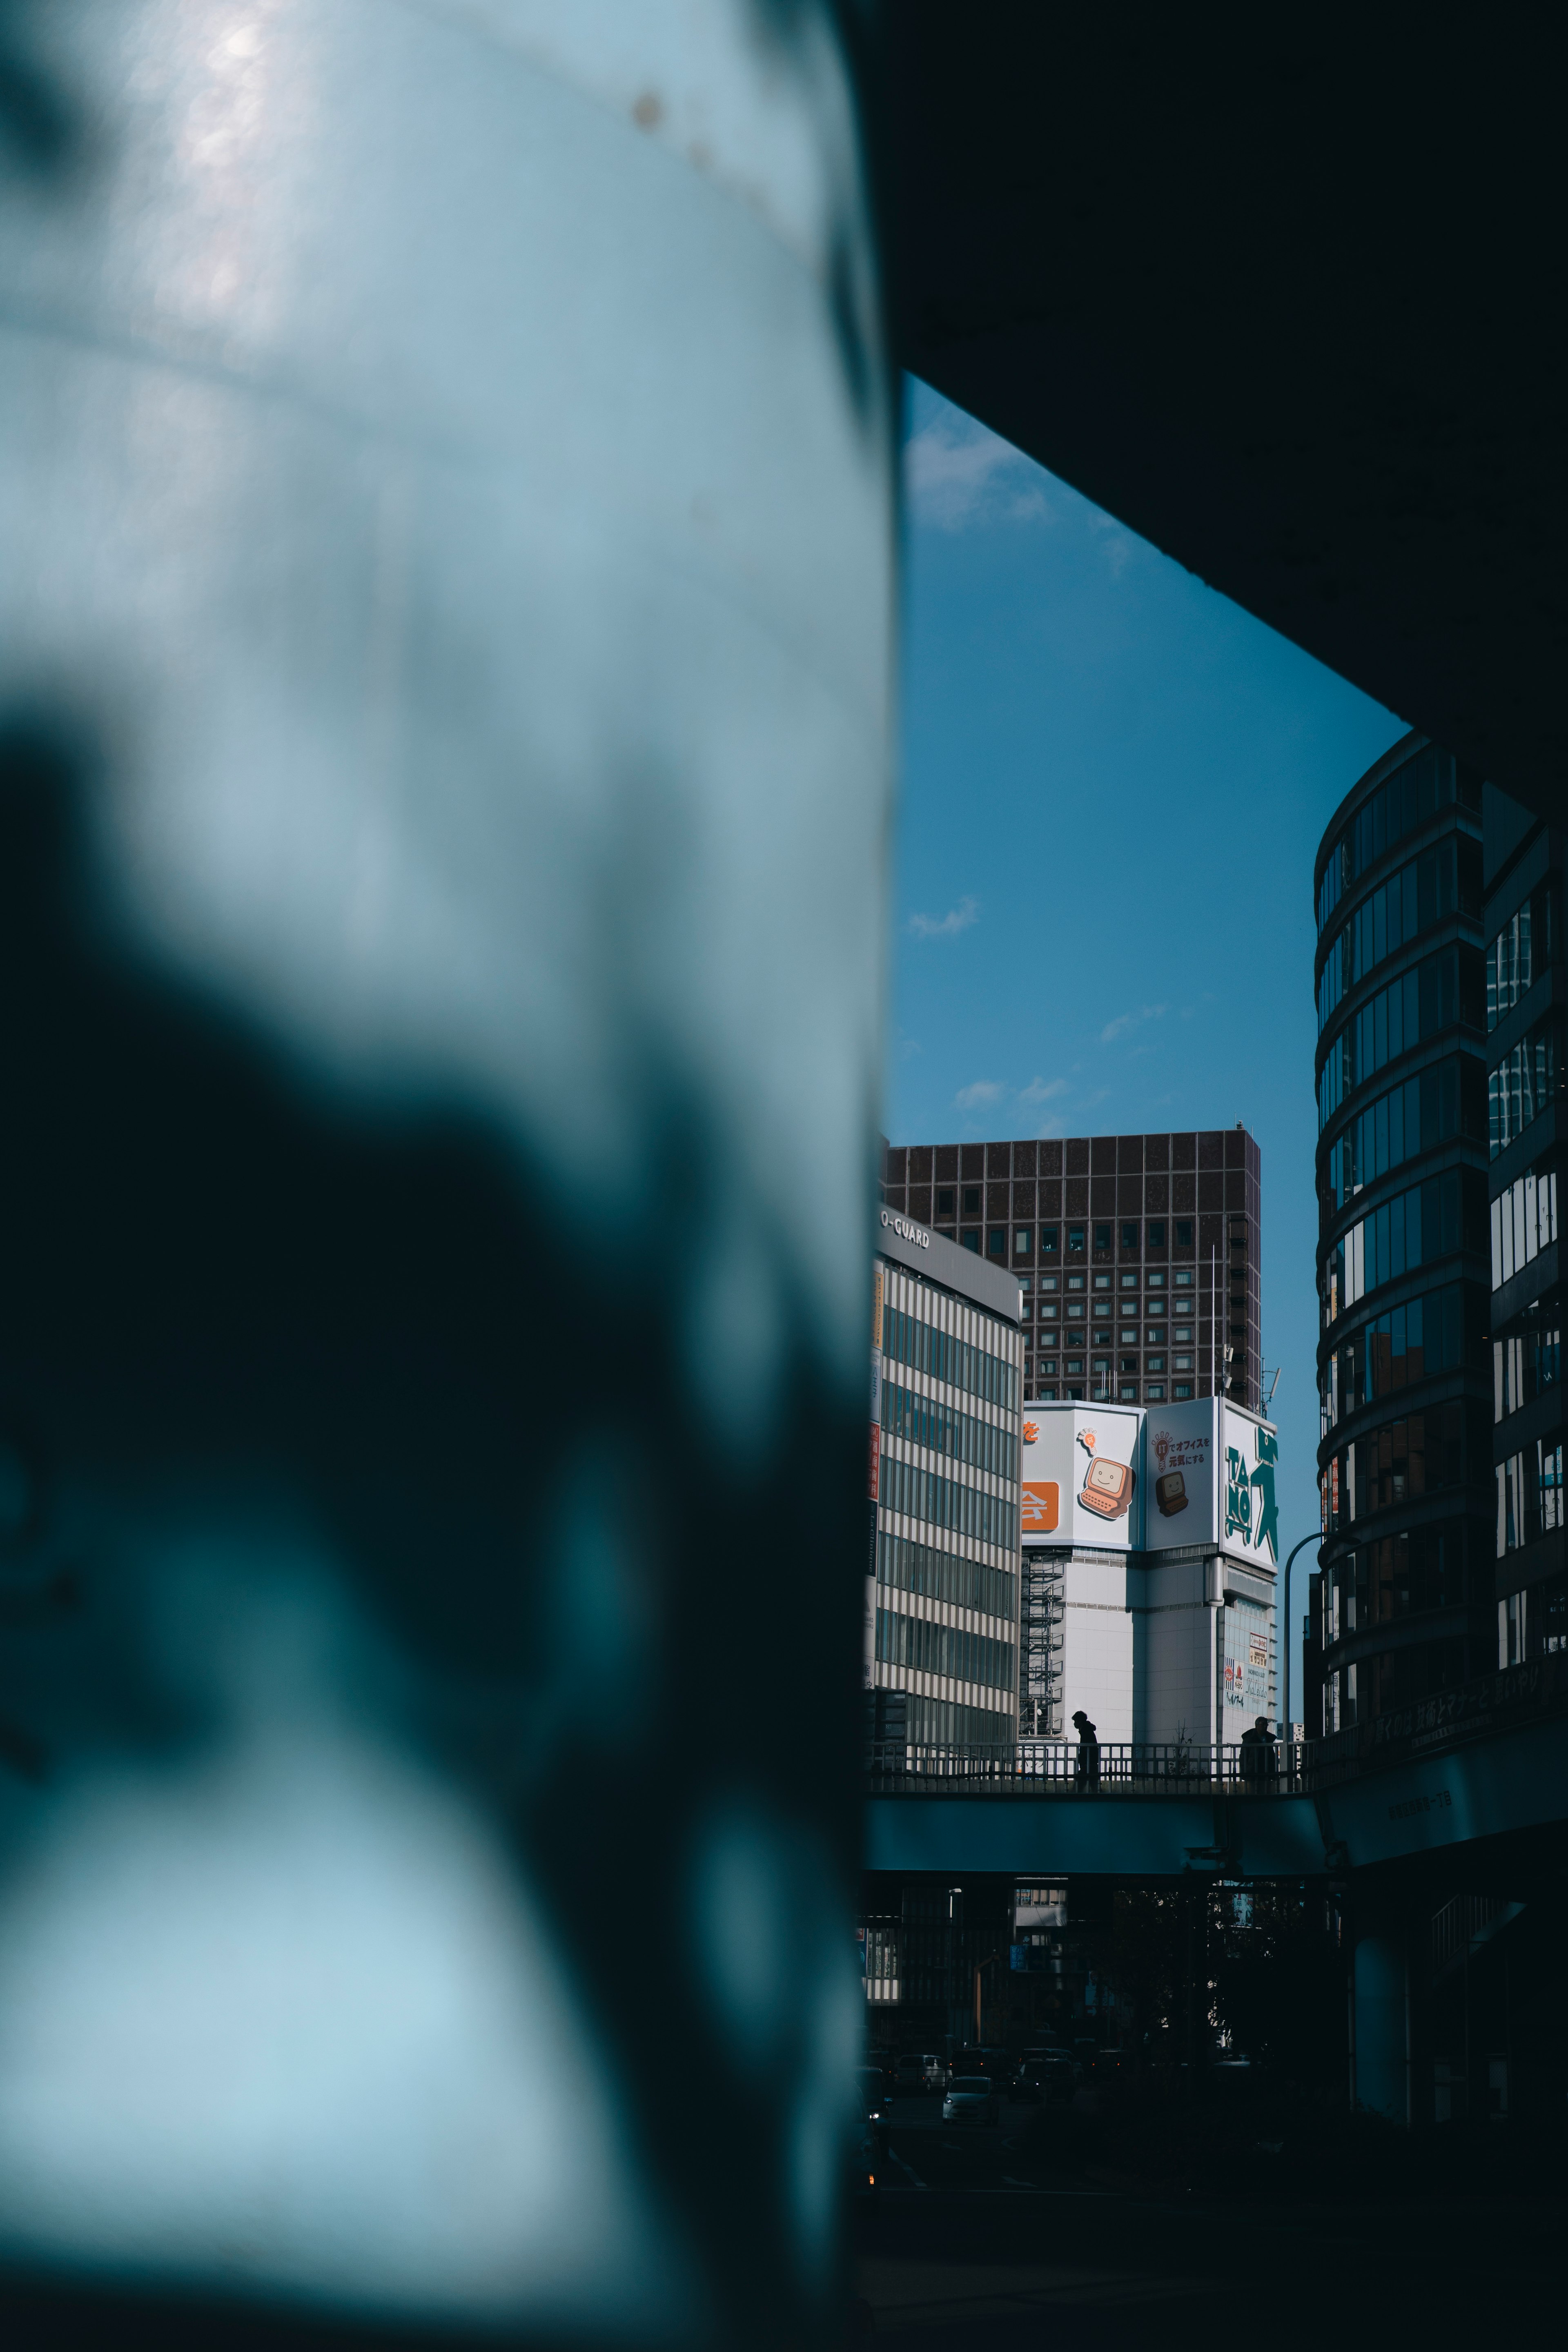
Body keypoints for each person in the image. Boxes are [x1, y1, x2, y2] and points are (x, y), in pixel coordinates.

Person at [1240, 1715, 1278, 1786]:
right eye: (1263, 1724)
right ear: (1257, 1726)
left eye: (1266, 1725)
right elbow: (1243, 1757)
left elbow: (1272, 1757)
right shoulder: (1249, 1739)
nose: (1265, 1726)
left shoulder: (1269, 1739)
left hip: (1266, 1772)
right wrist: (1245, 1773)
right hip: (1253, 1772)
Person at [1071, 1709, 1100, 1793]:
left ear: (1080, 1721)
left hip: (1088, 1763)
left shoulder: (1086, 1731)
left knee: (1078, 1788)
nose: (1075, 1723)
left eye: (1076, 1721)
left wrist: (1083, 1761)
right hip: (1091, 1763)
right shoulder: (1087, 1729)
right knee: (1094, 1787)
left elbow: (1085, 1749)